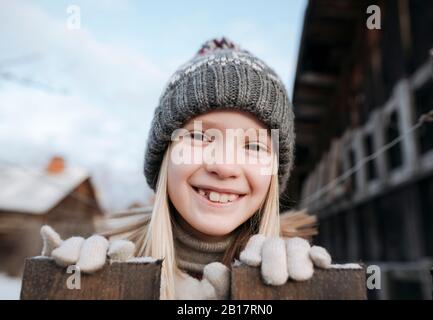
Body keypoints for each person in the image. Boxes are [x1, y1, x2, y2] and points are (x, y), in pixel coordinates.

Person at [40, 37, 332, 300]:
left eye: (254, 146)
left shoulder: (298, 273)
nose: (224, 166)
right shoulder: (109, 263)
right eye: (199, 137)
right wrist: (57, 288)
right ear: (164, 155)